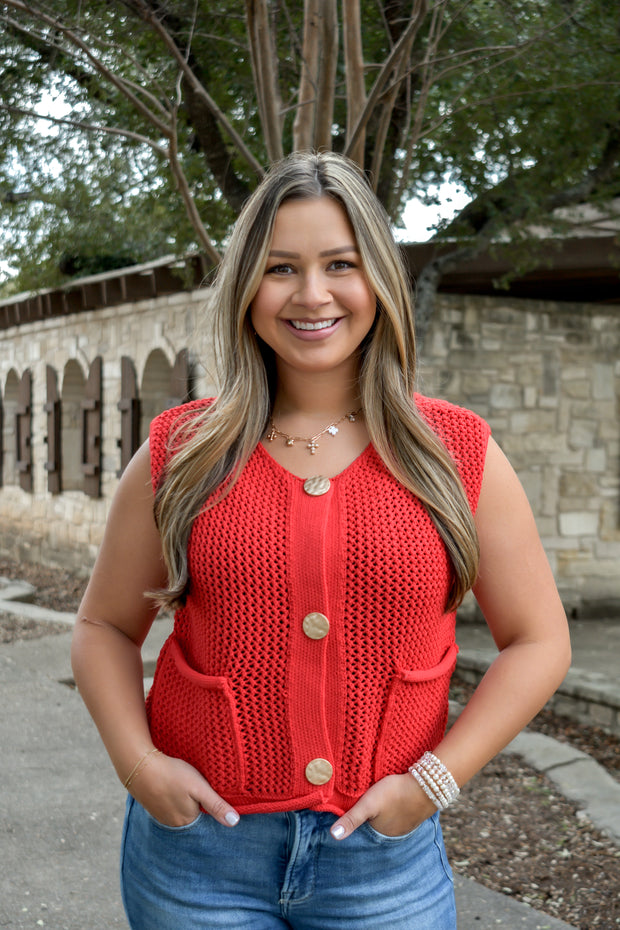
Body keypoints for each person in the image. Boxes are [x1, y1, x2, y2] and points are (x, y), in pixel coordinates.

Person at [71, 151, 571, 930]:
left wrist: (433, 785)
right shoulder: (181, 450)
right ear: (246, 288)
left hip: (381, 861)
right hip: (199, 857)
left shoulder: (456, 452)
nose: (312, 295)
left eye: (340, 264)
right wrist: (142, 771)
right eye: (280, 268)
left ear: (378, 278)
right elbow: (103, 626)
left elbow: (540, 641)